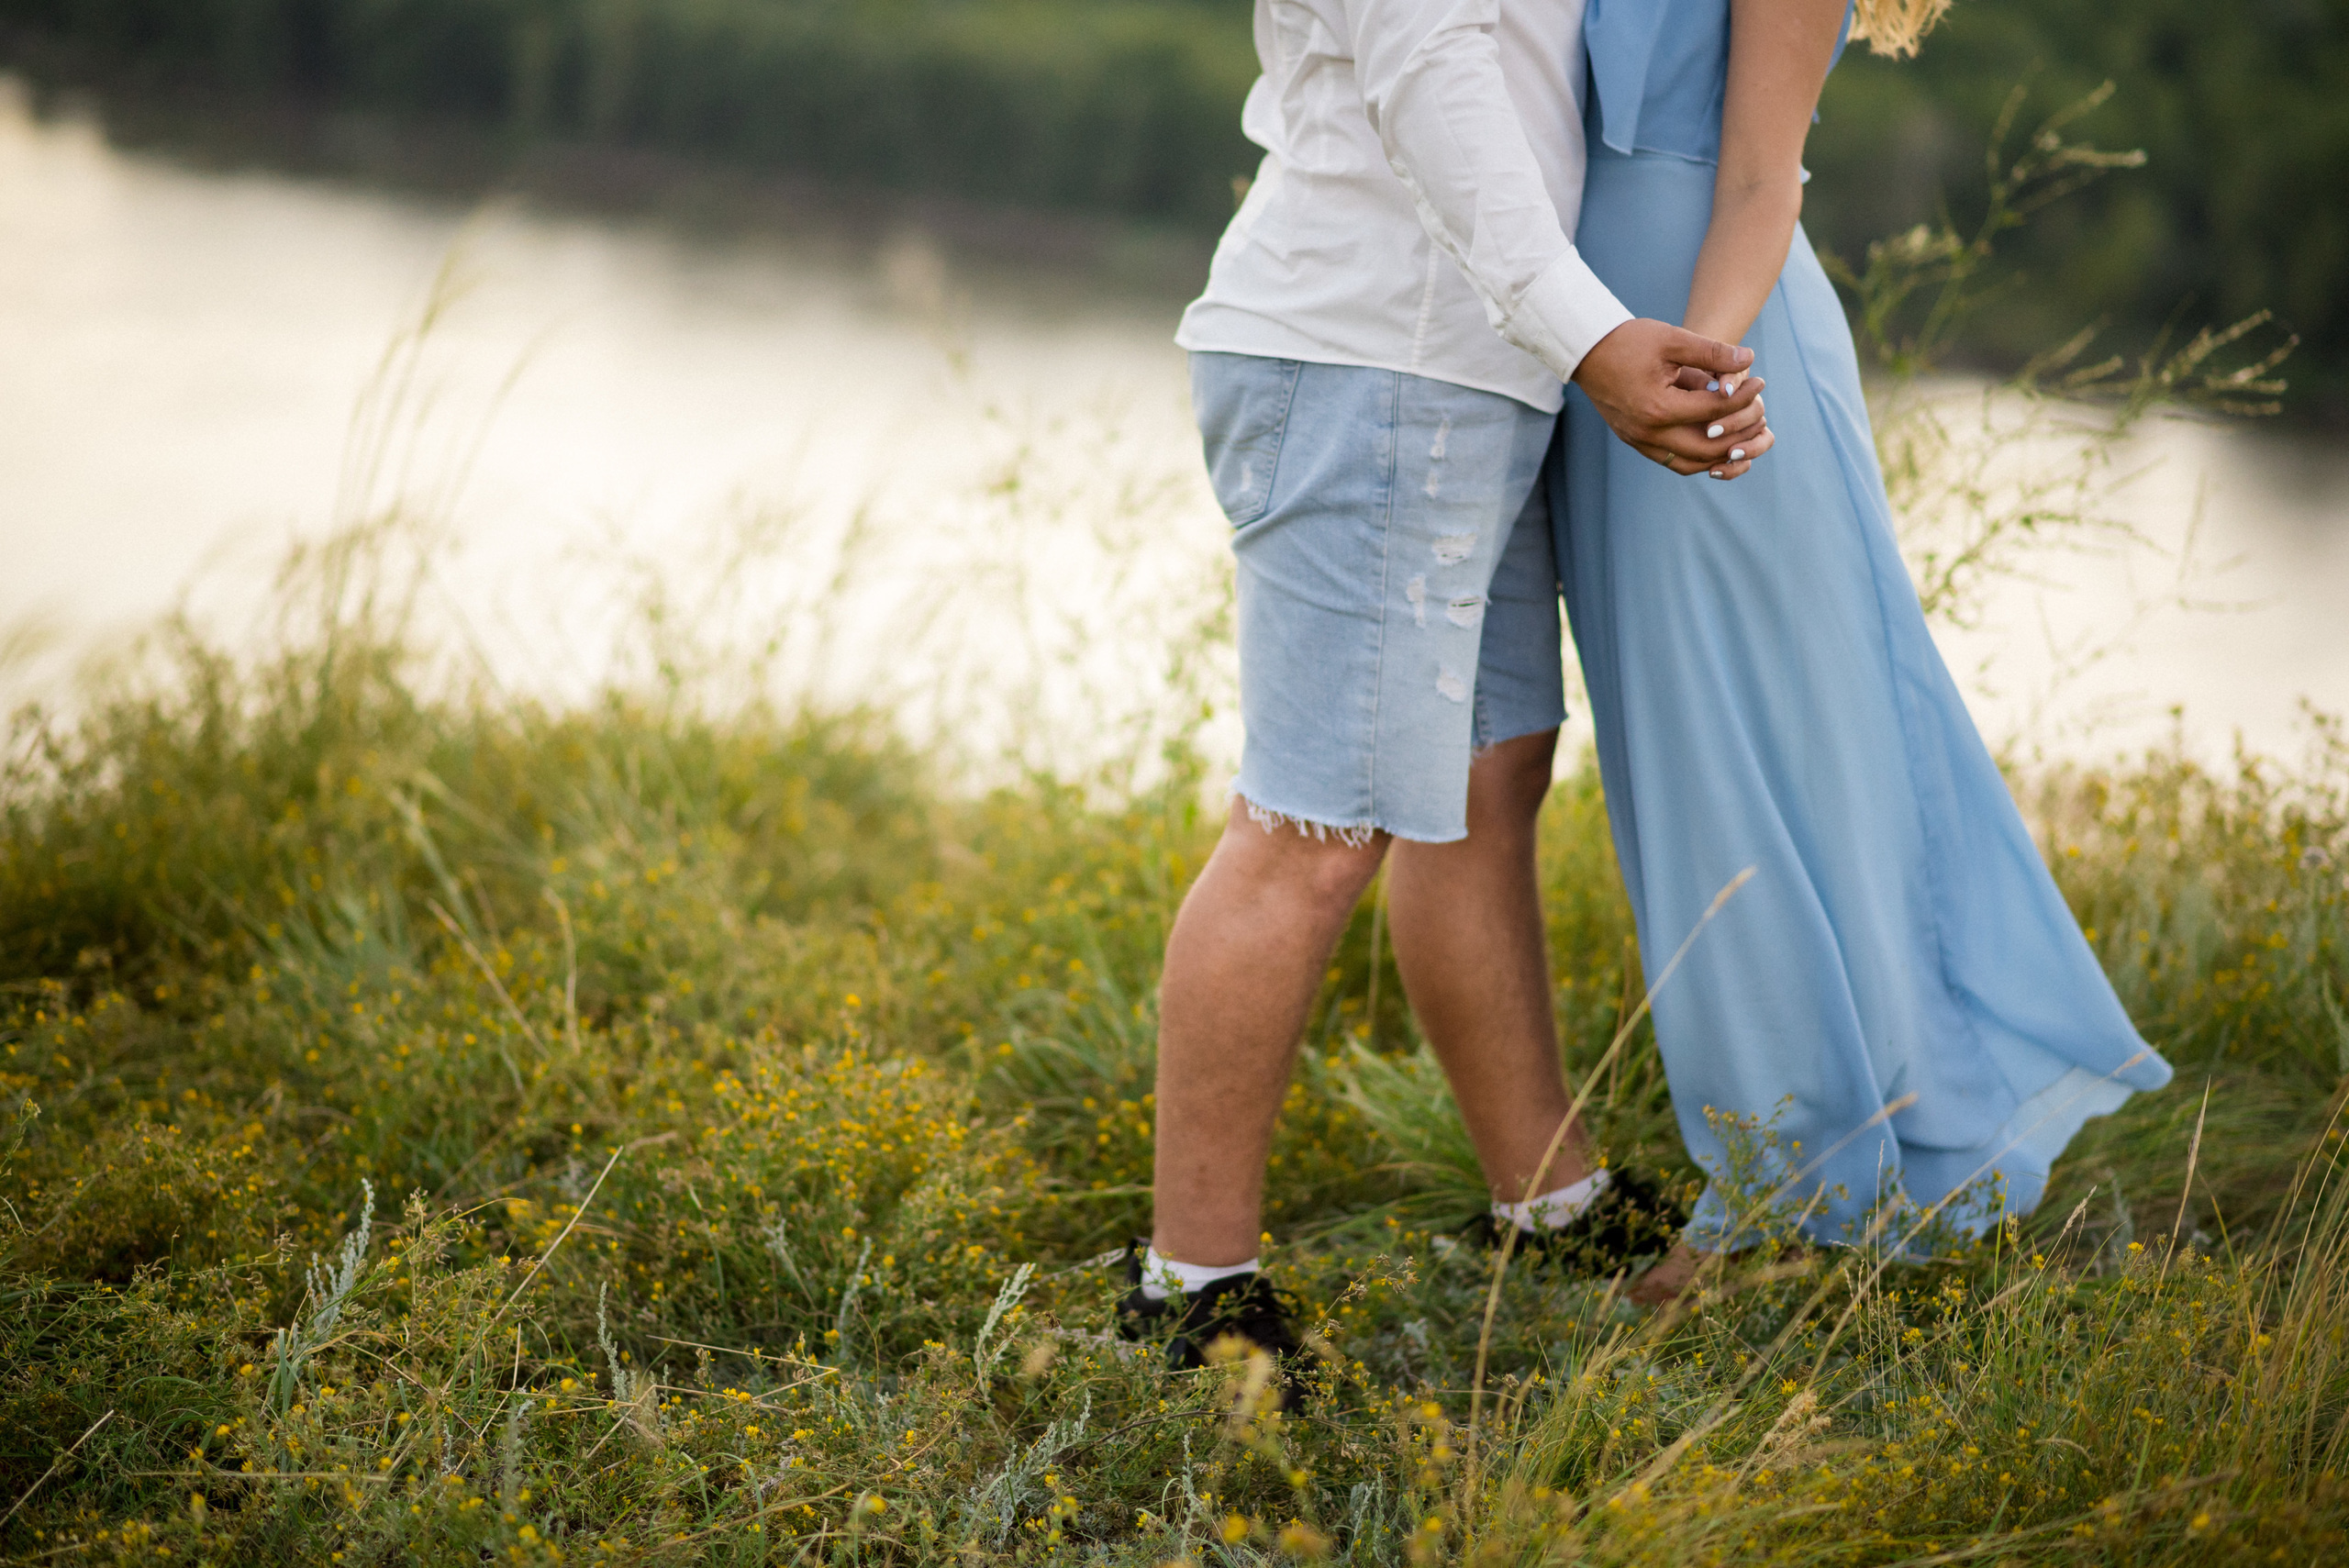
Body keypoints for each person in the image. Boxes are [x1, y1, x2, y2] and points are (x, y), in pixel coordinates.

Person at [1120, 0, 1772, 1376]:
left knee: (1489, 775)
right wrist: (1592, 335)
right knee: (1312, 830)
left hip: (1468, 362)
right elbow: (1429, 66)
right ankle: (1191, 1290)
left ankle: (1548, 1201)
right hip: (1376, 351)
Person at [1548, 0, 2174, 1306]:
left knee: (1753, 773)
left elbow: (1764, 177)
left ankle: (1778, 1194)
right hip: (1591, 352)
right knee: (1684, 774)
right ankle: (1814, 1149)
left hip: (1706, 364)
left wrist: (1698, 372)